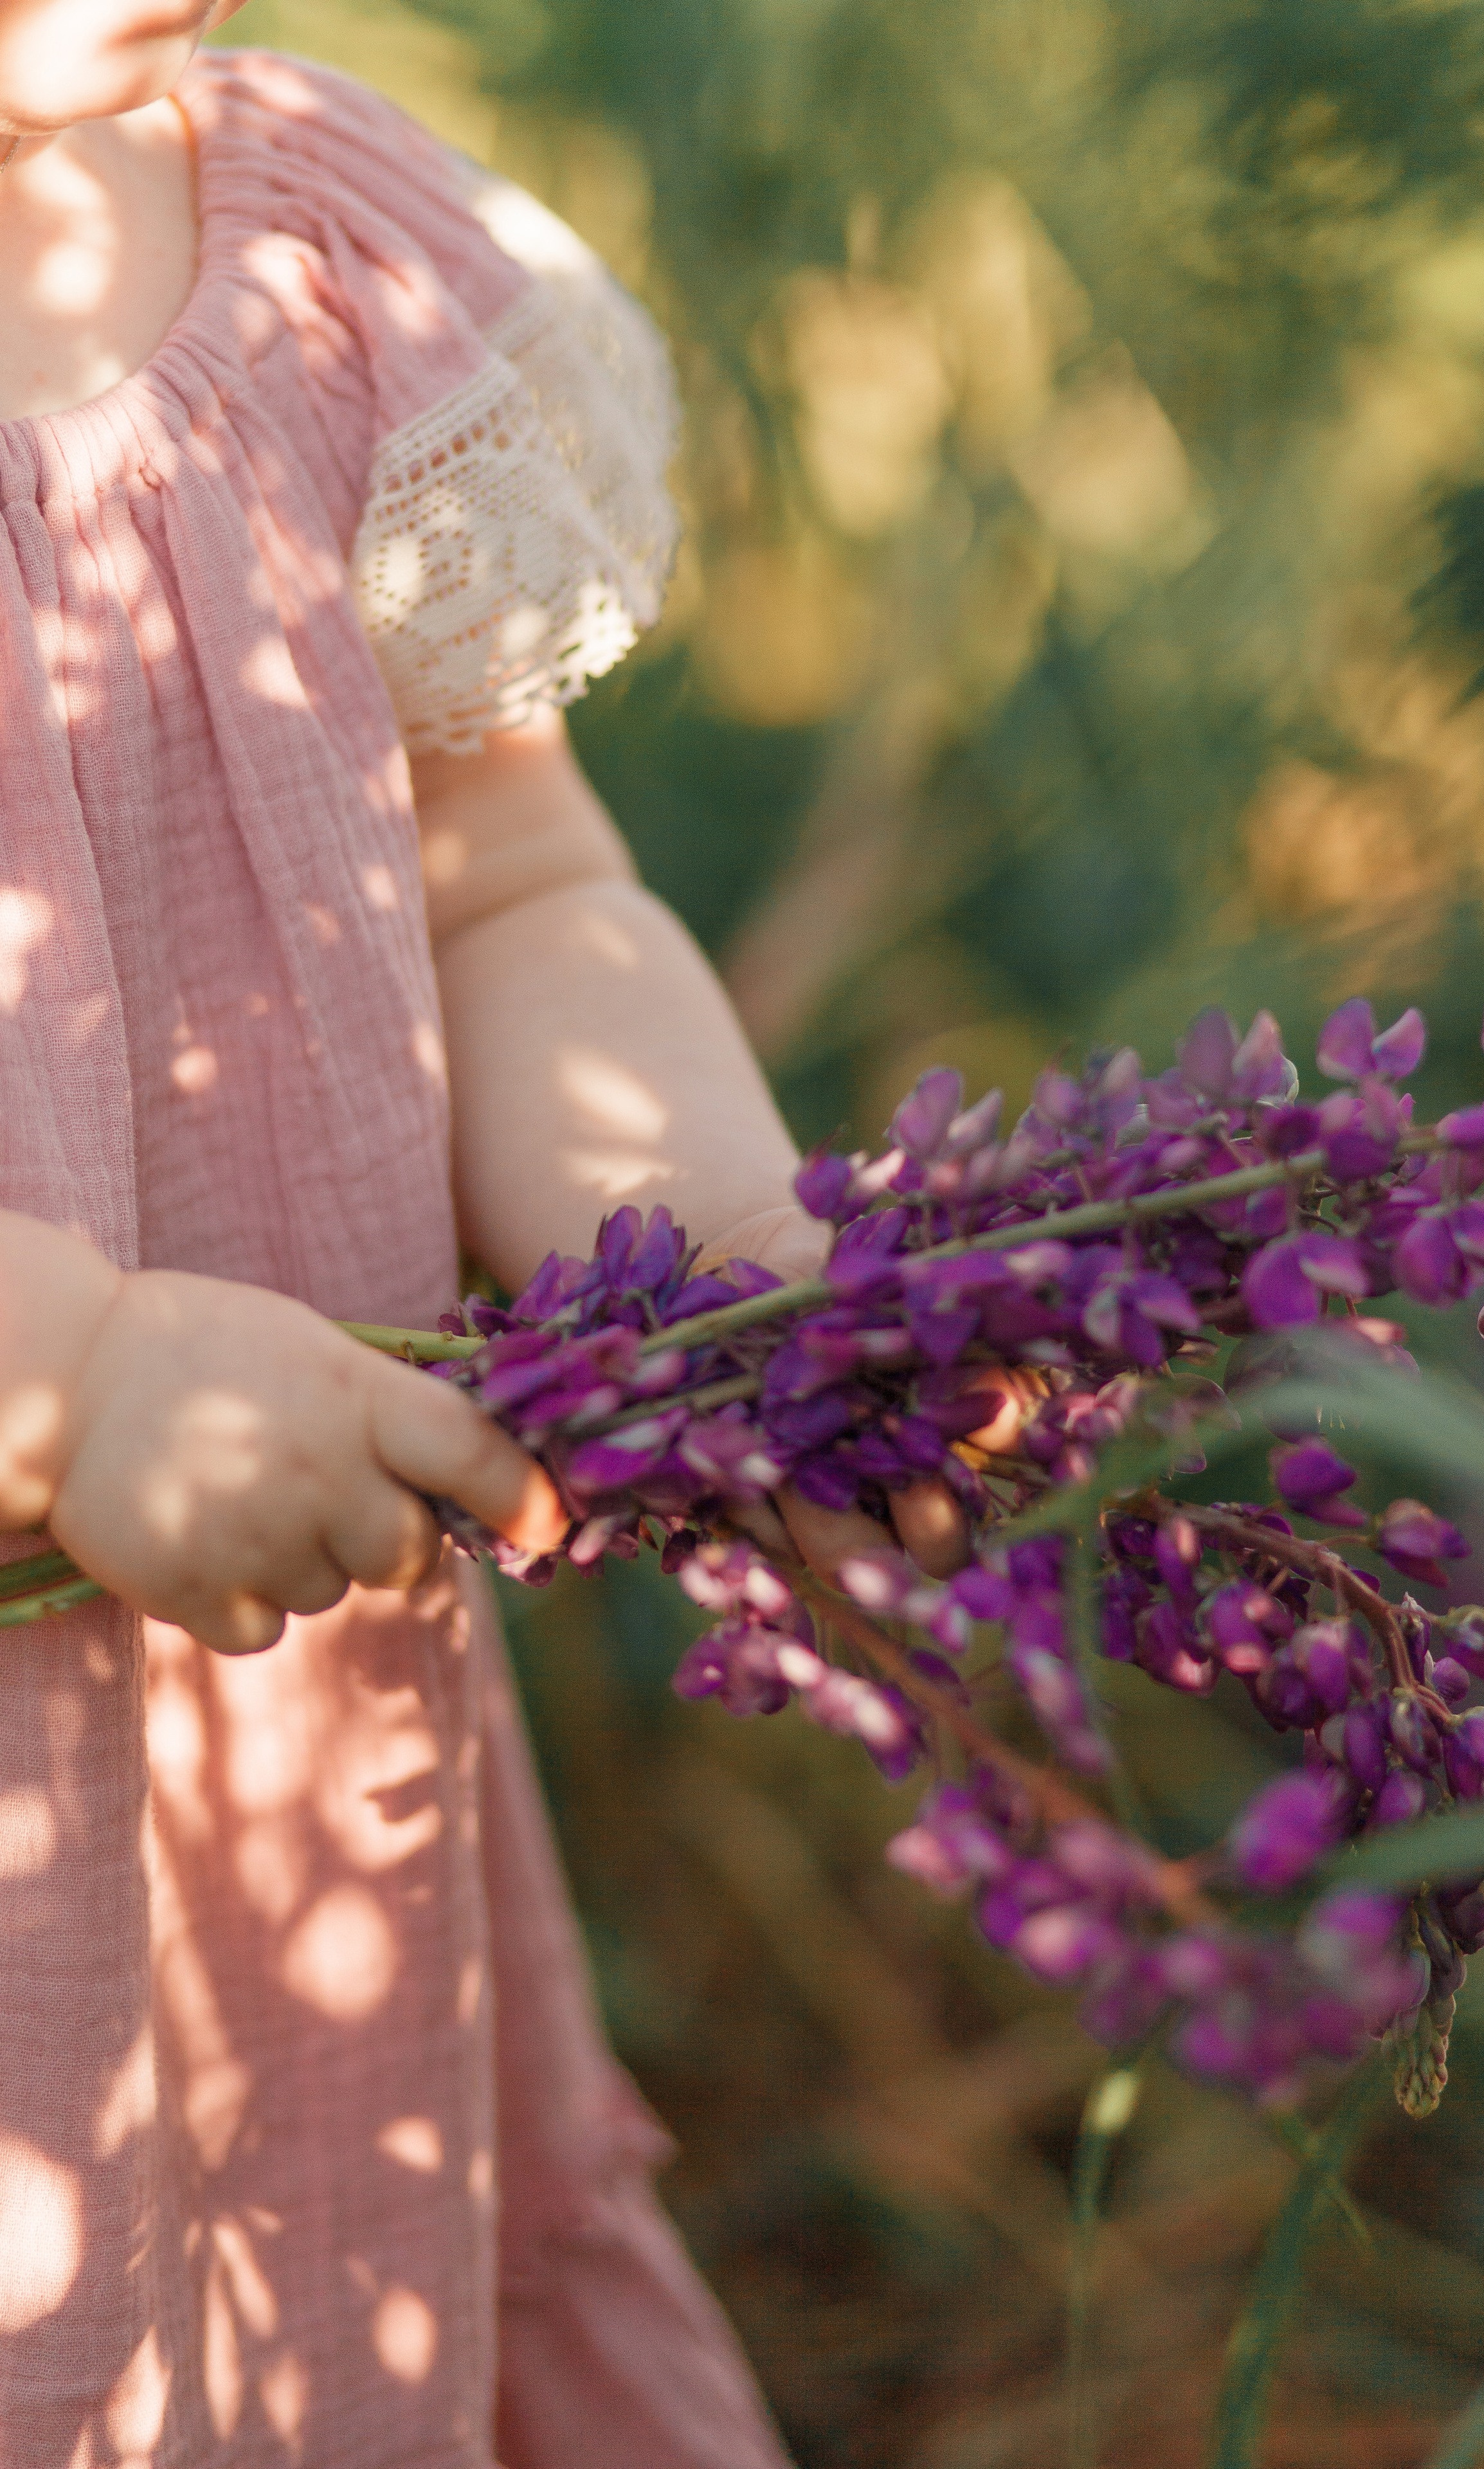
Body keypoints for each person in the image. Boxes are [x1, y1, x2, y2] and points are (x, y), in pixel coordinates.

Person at [0, 3, 982, 2457]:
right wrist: (70, 1374)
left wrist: (714, 1257)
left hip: (267, 1756)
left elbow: (506, 881)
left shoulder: (310, 248)